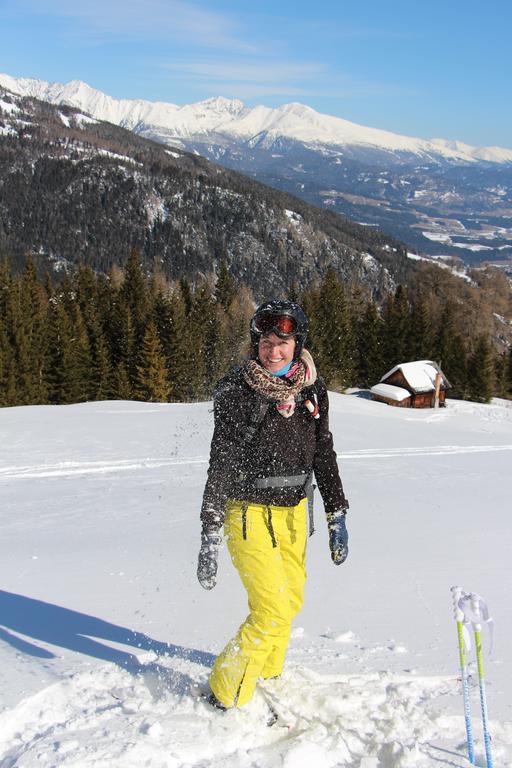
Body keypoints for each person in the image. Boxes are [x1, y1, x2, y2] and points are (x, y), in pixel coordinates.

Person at [196, 299, 349, 711]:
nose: (274, 350)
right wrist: (210, 527)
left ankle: (265, 672)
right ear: (255, 344)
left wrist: (337, 512)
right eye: (265, 341)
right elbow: (221, 459)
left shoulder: (312, 389)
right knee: (272, 609)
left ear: (298, 344)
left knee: (291, 601)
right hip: (247, 512)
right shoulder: (236, 391)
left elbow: (323, 450)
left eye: (283, 341)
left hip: (295, 513)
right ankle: (225, 693)